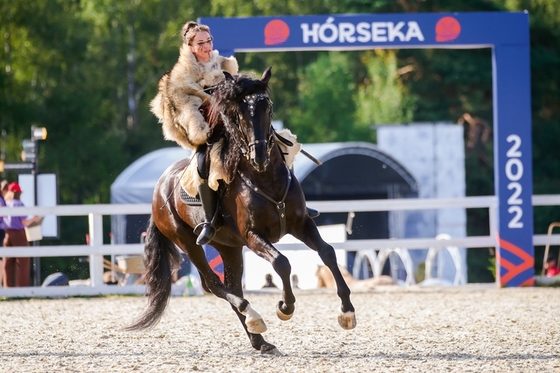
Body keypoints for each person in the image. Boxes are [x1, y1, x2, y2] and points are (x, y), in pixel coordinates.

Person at [150, 21, 317, 246]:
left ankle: (295, 204)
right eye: (201, 43)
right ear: (190, 46)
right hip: (209, 134)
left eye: (209, 41)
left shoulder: (224, 65)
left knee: (283, 145)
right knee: (201, 166)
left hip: (238, 129)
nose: (207, 46)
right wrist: (207, 123)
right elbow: (186, 114)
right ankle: (210, 221)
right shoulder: (180, 80)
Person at [1, 182, 40, 287]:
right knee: (22, 262)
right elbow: (24, 222)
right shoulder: (18, 204)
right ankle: (21, 288)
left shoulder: (6, 203)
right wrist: (34, 219)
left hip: (7, 234)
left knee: (8, 263)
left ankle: (7, 288)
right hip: (18, 234)